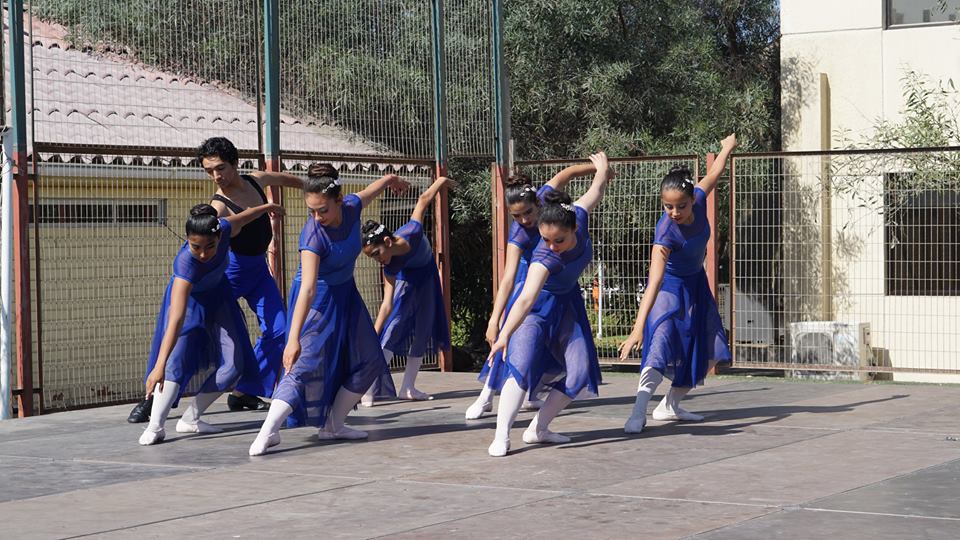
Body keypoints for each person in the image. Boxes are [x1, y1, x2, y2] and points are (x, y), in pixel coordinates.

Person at [127, 137, 302, 423]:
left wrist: (310, 187)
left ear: (235, 163)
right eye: (209, 171)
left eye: (220, 168)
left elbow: (282, 179)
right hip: (228, 275)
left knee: (280, 330)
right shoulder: (217, 207)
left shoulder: (256, 179)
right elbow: (206, 244)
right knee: (192, 335)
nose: (216, 176)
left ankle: (245, 390)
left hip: (258, 272)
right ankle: (154, 397)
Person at [248, 164, 408, 456]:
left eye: (322, 210)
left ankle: (334, 424)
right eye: (311, 211)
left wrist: (391, 179)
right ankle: (268, 432)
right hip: (316, 300)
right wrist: (293, 338)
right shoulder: (312, 236)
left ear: (339, 200)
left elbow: (374, 188)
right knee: (302, 364)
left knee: (371, 359)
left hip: (346, 294)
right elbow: (307, 288)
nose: (317, 217)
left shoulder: (353, 206)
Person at [486, 152, 613, 457]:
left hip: (568, 305)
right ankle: (502, 434)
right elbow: (526, 298)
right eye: (545, 240)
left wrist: (602, 168)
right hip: (537, 308)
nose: (551, 246)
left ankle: (538, 428)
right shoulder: (543, 259)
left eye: (559, 241)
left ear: (574, 229)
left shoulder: (578, 214)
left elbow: (595, 190)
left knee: (581, 372)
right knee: (520, 362)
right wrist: (503, 333)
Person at [138, 202, 284, 445]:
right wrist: (159, 365)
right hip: (190, 304)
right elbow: (176, 318)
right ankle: (156, 426)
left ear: (220, 236)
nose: (203, 254)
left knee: (235, 363)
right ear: (187, 240)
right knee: (176, 362)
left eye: (210, 246)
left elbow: (246, 214)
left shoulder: (226, 228)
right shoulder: (186, 263)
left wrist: (268, 206)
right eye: (196, 247)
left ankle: (191, 418)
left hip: (220, 298)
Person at [618, 134, 736, 433]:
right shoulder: (665, 232)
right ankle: (638, 412)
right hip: (669, 289)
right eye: (668, 207)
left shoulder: (698, 196)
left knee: (706, 346)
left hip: (695, 285)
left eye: (680, 206)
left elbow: (715, 172)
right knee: (659, 344)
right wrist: (636, 329)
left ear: (690, 200)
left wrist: (726, 148)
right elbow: (654, 280)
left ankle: (669, 405)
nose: (674, 213)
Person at [466, 163, 596, 420]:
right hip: (528, 287)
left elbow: (564, 175)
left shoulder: (549, 201)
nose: (525, 220)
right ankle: (486, 396)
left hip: (557, 285)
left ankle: (532, 393)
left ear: (538, 202)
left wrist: (595, 168)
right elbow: (508, 278)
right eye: (516, 216)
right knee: (511, 342)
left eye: (527, 212)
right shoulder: (520, 233)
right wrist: (495, 318)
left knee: (550, 348)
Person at [359, 176, 455, 404]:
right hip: (408, 279)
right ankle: (368, 388)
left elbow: (423, 200)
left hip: (427, 276)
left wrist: (441, 181)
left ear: (388, 242)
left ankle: (408, 387)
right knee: (395, 327)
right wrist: (374, 331)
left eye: (376, 254)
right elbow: (387, 304)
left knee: (423, 328)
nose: (376, 260)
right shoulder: (390, 267)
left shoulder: (411, 230)